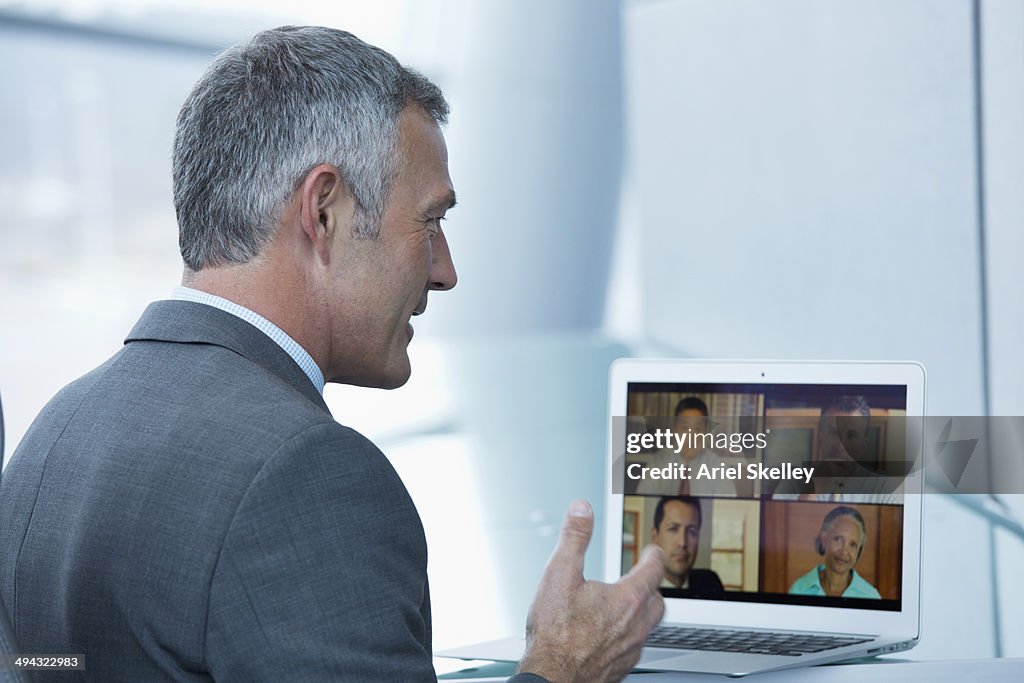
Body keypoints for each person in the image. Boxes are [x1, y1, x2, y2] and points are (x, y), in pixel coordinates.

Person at [0, 27, 665, 682]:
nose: (446, 270)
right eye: (430, 221)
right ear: (323, 211)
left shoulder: (56, 429)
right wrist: (562, 667)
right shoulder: (304, 476)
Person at [773, 395, 902, 503]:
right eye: (833, 433)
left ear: (863, 444)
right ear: (820, 438)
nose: (841, 446)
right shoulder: (792, 483)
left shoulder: (886, 489)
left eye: (851, 435)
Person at [633, 397, 738, 497]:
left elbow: (729, 506)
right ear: (674, 430)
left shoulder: (717, 466)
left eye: (697, 429)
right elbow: (643, 500)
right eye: (685, 427)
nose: (690, 436)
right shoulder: (658, 462)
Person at [788, 506, 881, 599]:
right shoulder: (799, 589)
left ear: (858, 550)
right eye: (838, 539)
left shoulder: (871, 596)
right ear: (823, 539)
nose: (844, 551)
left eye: (852, 545)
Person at [650, 496, 724, 597]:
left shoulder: (710, 583)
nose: (683, 542)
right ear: (655, 537)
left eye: (691, 532)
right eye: (673, 529)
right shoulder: (640, 591)